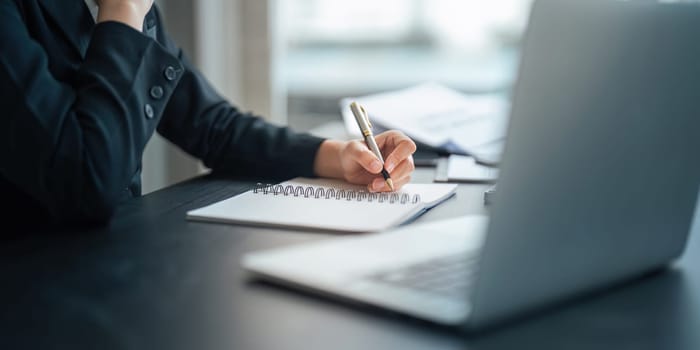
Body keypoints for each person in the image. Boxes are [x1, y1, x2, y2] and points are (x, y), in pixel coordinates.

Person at [0, 0, 417, 228]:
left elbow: (215, 127)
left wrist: (339, 157)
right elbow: (86, 183)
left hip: (106, 274)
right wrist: (123, 13)